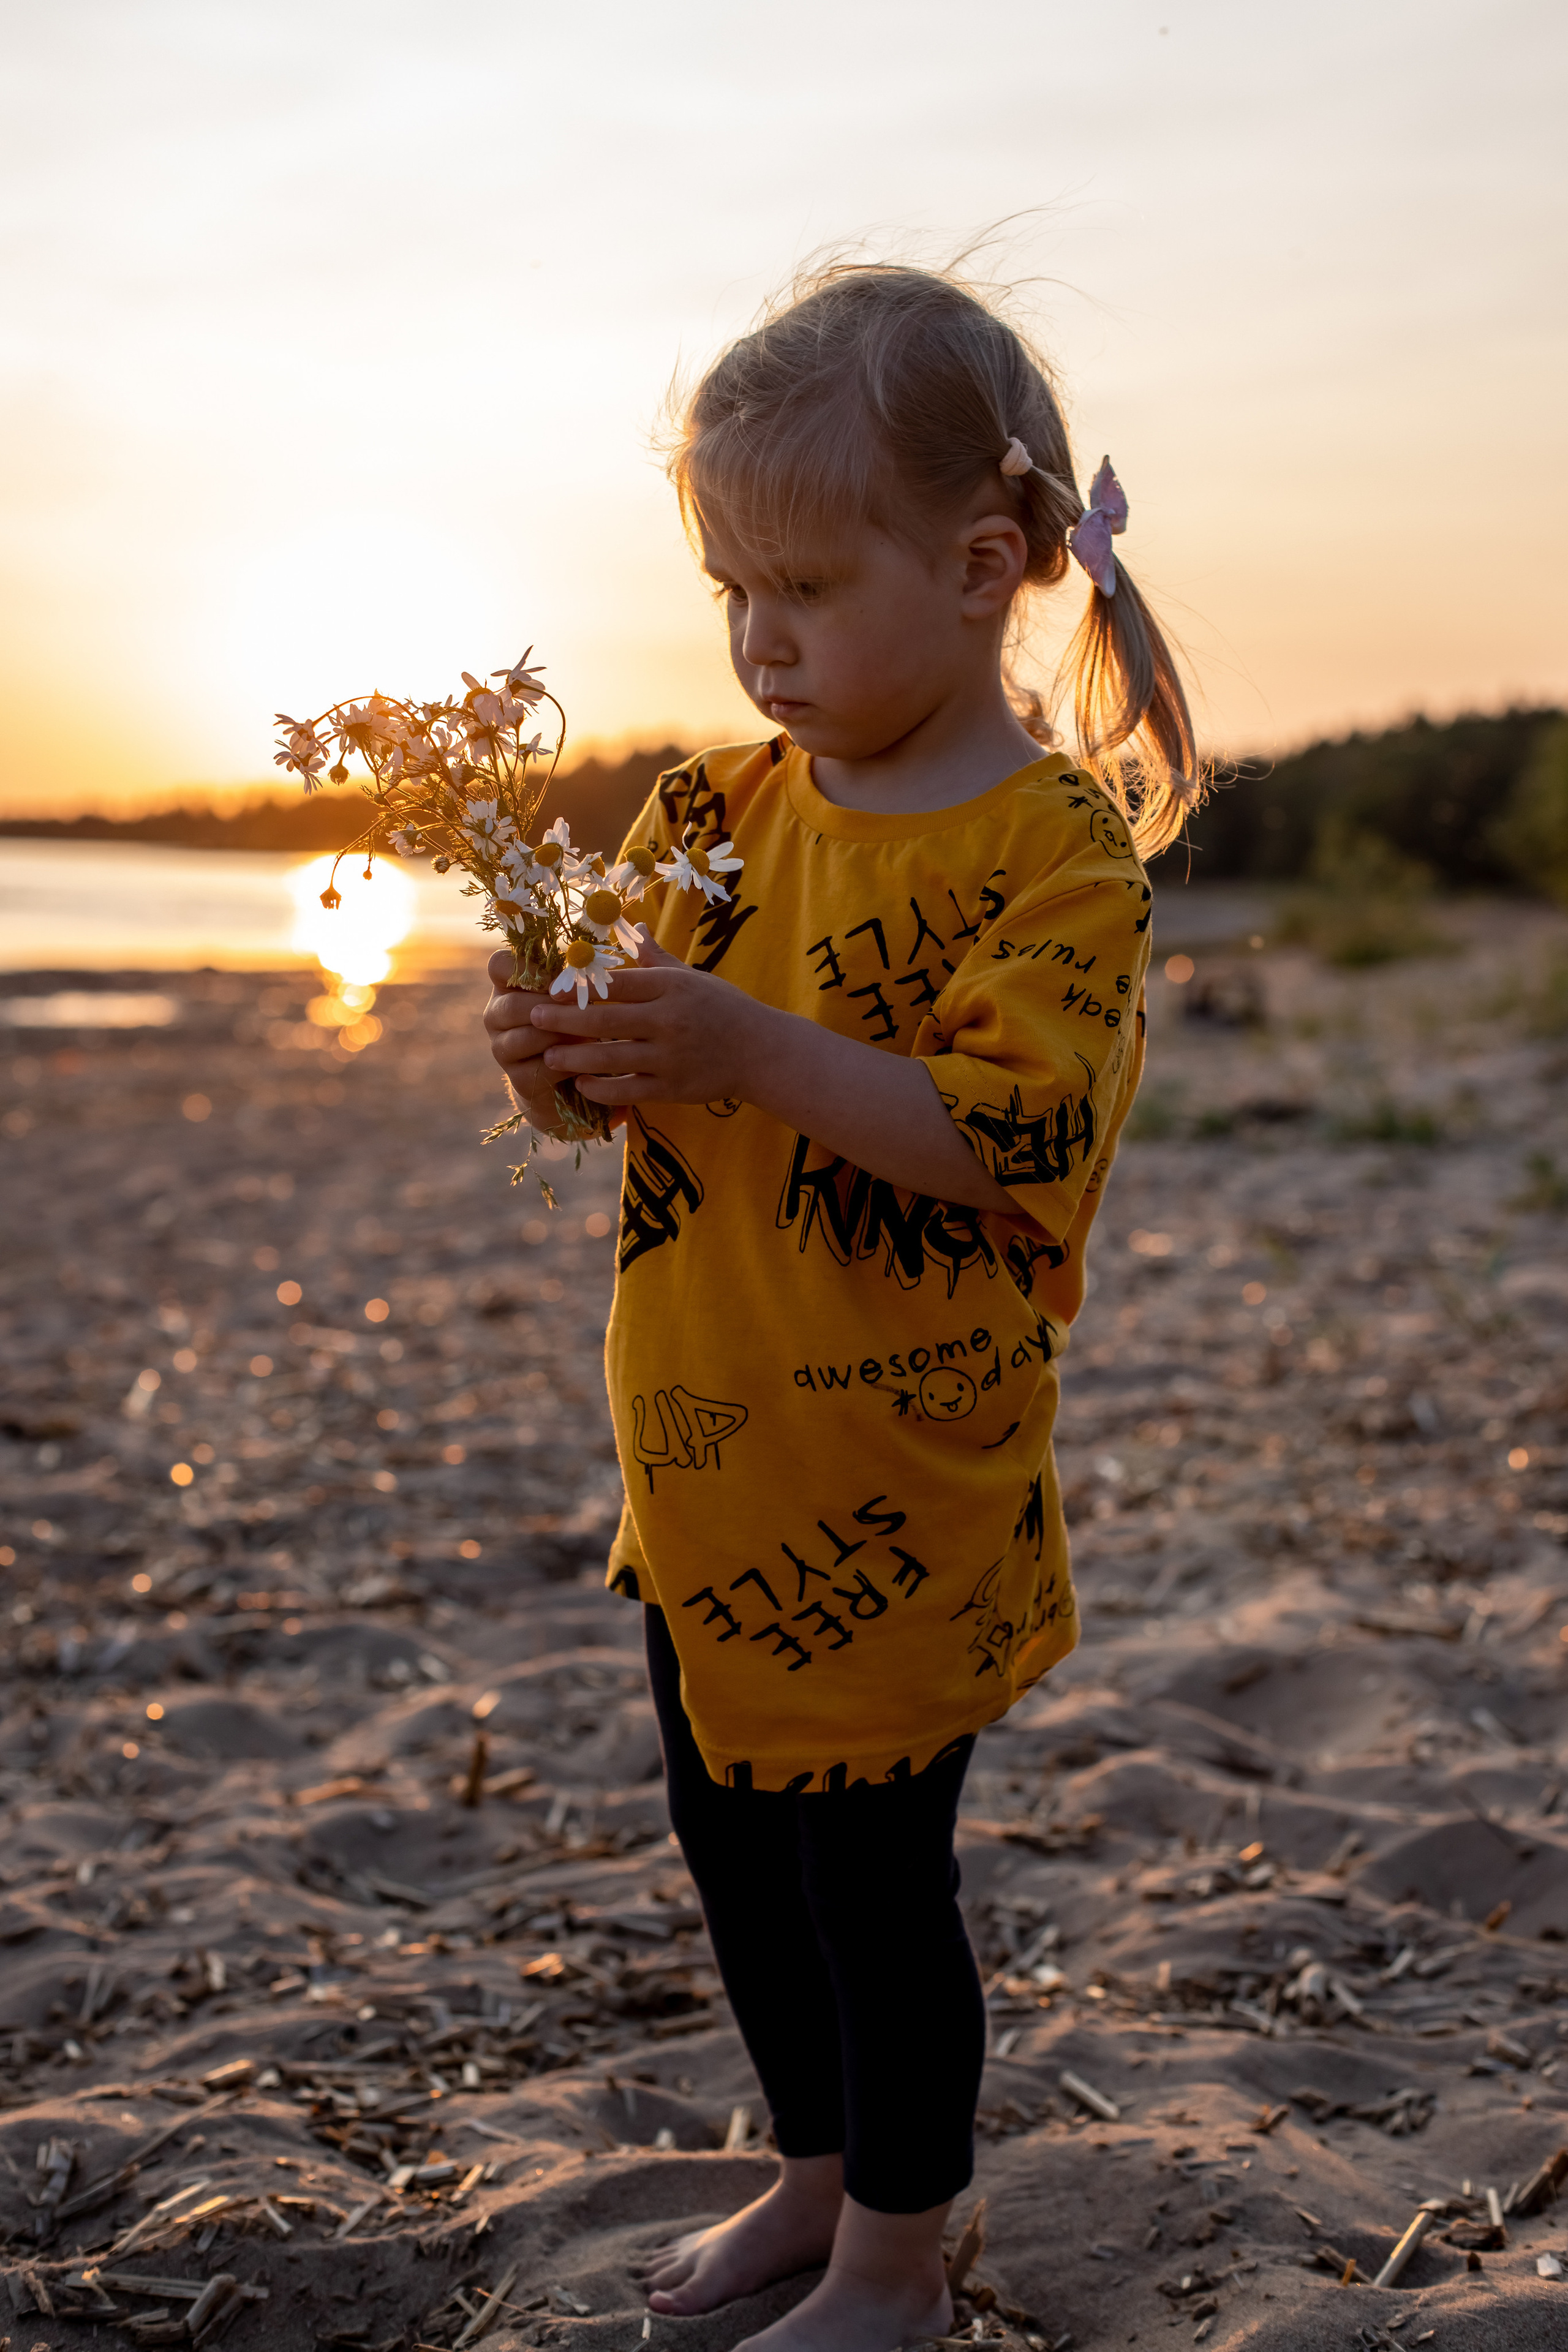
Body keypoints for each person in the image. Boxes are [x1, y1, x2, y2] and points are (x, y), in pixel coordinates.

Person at [483, 257, 1199, 2352]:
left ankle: (898, 2261)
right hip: (704, 1443)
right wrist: (556, 1055)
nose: (758, 640)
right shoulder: (710, 816)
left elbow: (1007, 1138)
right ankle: (813, 2176)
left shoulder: (1054, 855)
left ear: (981, 570)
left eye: (803, 586)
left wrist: (740, 1044)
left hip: (898, 1480)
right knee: (733, 1845)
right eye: (731, 589)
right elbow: (612, 1100)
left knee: (875, 1883)